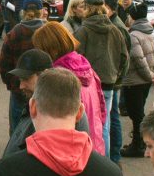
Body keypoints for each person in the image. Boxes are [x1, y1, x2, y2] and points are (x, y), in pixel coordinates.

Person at [35, 21, 108, 154]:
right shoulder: (87, 68)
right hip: (94, 142)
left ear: (51, 49)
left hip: (72, 148)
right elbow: (102, 107)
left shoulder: (58, 77)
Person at [74, 0, 130, 160]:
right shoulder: (115, 30)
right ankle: (105, 162)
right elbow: (125, 58)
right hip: (109, 84)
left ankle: (91, 162)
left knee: (86, 125)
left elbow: (75, 60)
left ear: (87, 7)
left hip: (88, 86)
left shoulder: (83, 31)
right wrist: (117, 78)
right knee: (104, 126)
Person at [118, 4, 154, 158]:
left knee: (136, 114)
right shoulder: (149, 33)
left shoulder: (133, 35)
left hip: (134, 81)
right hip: (145, 81)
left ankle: (139, 145)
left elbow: (138, 59)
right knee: (138, 112)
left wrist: (151, 75)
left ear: (132, 17)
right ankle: (139, 143)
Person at [0, 0, 50, 133]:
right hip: (45, 87)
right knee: (42, 128)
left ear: (23, 12)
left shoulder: (15, 32)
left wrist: (11, 83)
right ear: (41, 11)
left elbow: (4, 63)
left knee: (17, 130)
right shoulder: (48, 31)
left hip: (19, 87)